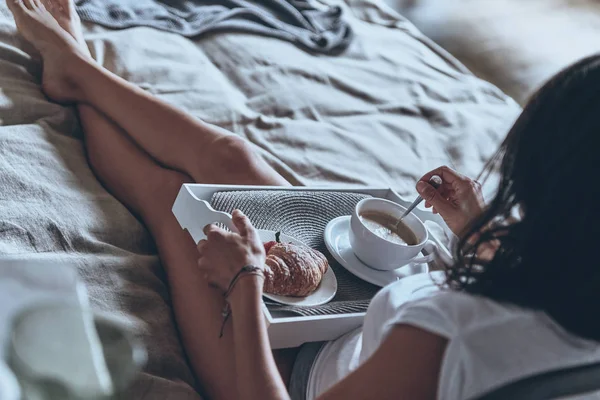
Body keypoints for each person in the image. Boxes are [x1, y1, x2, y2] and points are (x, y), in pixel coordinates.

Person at [8, 0, 600, 398]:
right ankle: (79, 71)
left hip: (284, 372)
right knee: (234, 162)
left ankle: (73, 63)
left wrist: (244, 282)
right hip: (355, 319)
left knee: (170, 200)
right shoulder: (575, 287)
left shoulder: (456, 332)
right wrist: (470, 221)